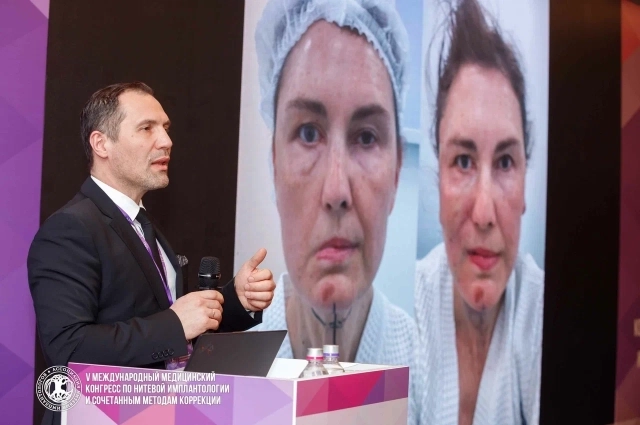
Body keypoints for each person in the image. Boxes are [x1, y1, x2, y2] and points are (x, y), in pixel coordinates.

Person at [27, 82, 276, 425]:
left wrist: (238, 301)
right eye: (147, 128)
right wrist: (174, 324)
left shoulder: (143, 225)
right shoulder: (70, 229)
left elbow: (163, 316)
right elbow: (68, 349)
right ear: (101, 144)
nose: (166, 141)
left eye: (166, 128)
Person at [252, 0, 417, 375]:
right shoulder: (228, 366)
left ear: (396, 173)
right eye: (308, 133)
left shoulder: (428, 372)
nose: (337, 191)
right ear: (275, 164)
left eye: (367, 137)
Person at [413, 1, 544, 424]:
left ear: (524, 187)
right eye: (463, 161)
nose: (485, 213)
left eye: (505, 162)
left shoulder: (543, 313)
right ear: (438, 183)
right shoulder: (408, 308)